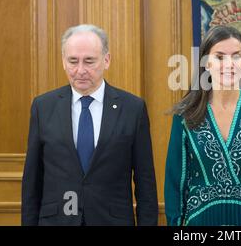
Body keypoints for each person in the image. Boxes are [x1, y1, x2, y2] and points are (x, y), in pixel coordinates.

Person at [21, 24, 158, 226]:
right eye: (73, 61)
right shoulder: (43, 107)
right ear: (63, 61)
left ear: (106, 60)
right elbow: (32, 181)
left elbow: (145, 181)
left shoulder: (132, 108)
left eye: (89, 61)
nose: (80, 70)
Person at [164, 25, 241, 226]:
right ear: (206, 62)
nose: (229, 64)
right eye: (220, 57)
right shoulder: (185, 114)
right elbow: (175, 183)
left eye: (236, 56)